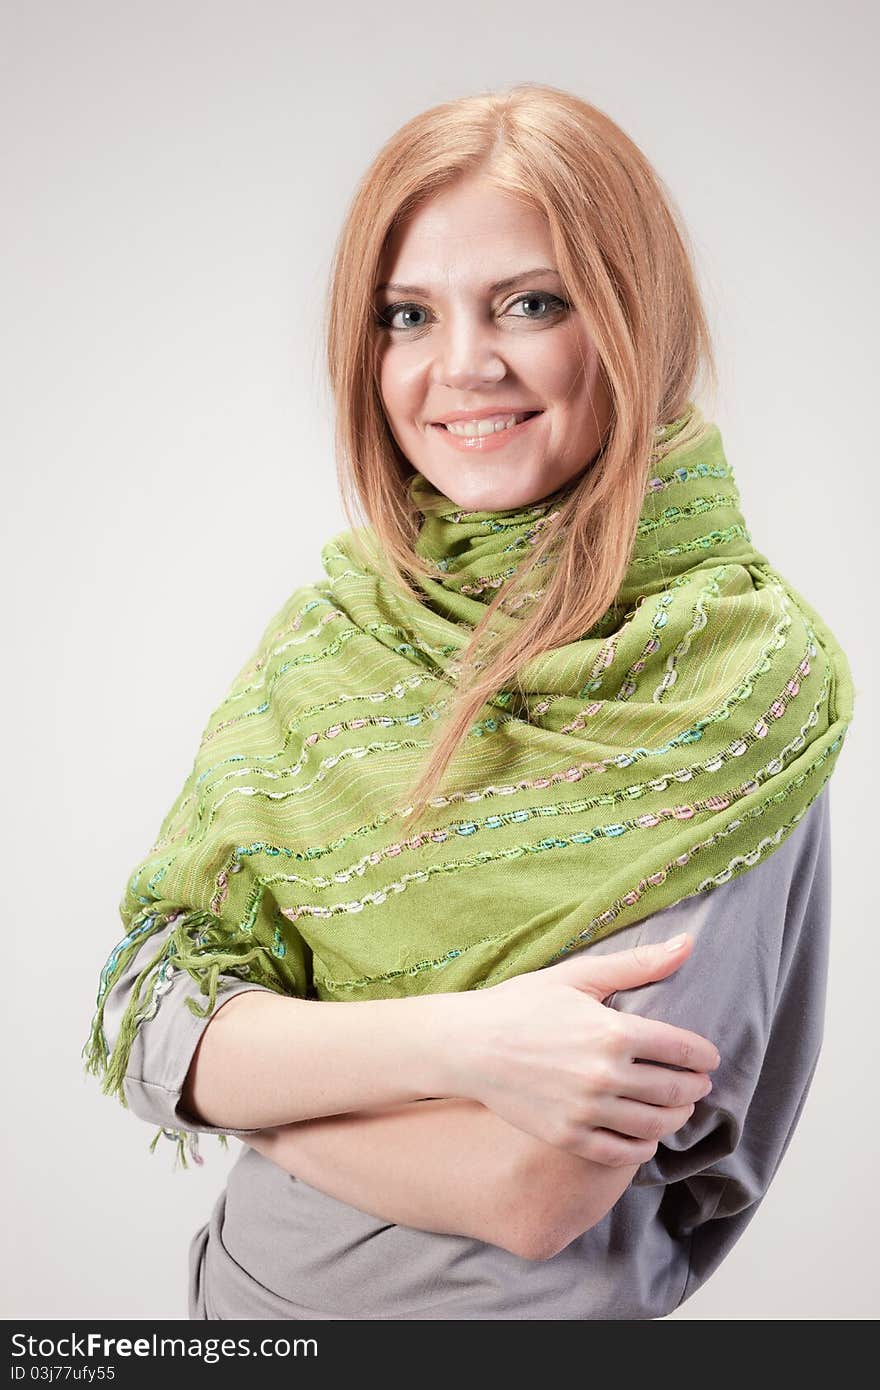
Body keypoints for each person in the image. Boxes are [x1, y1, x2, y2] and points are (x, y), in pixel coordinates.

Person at [82, 83, 854, 1321]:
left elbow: (529, 1186)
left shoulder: (727, 685)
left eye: (529, 303)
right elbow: (145, 998)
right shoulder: (337, 637)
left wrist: (246, 1079)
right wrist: (470, 1045)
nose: (461, 366)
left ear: (630, 316)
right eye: (407, 314)